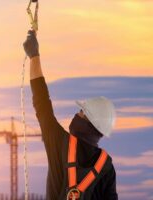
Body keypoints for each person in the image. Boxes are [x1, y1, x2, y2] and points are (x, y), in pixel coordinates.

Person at [23, 30, 118, 200]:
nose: (77, 114)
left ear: (88, 123)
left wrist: (34, 56)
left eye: (81, 112)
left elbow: (42, 104)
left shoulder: (60, 143)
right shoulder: (106, 165)